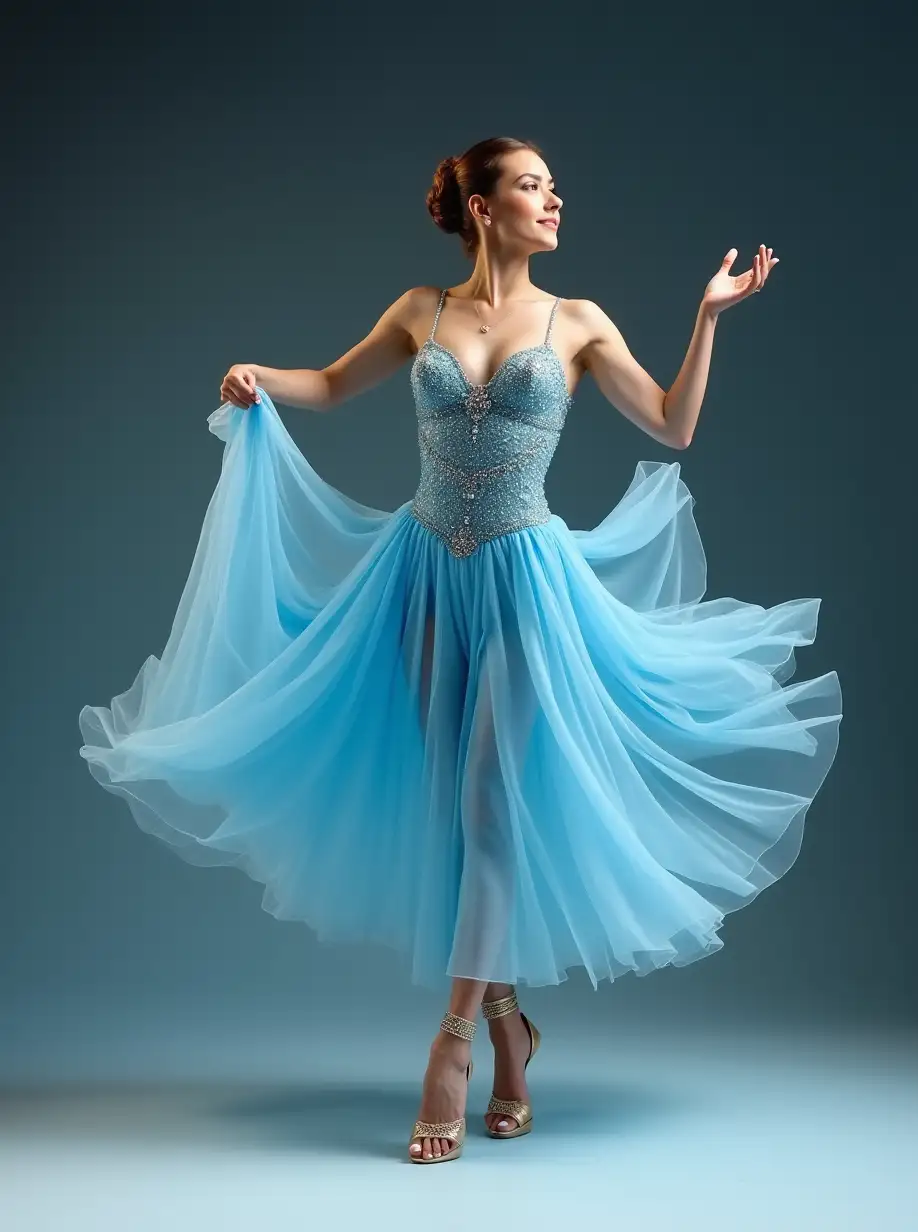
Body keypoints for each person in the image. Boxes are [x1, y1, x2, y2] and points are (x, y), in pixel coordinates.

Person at [78, 136, 842, 1165]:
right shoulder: (419, 311)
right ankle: (512, 1029)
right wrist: (261, 377)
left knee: (489, 796)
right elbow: (335, 383)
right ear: (482, 208)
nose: (553, 197)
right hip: (425, 575)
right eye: (532, 184)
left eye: (552, 184)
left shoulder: (576, 322)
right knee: (457, 806)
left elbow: (672, 424)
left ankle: (450, 1045)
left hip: (527, 582)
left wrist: (705, 317)